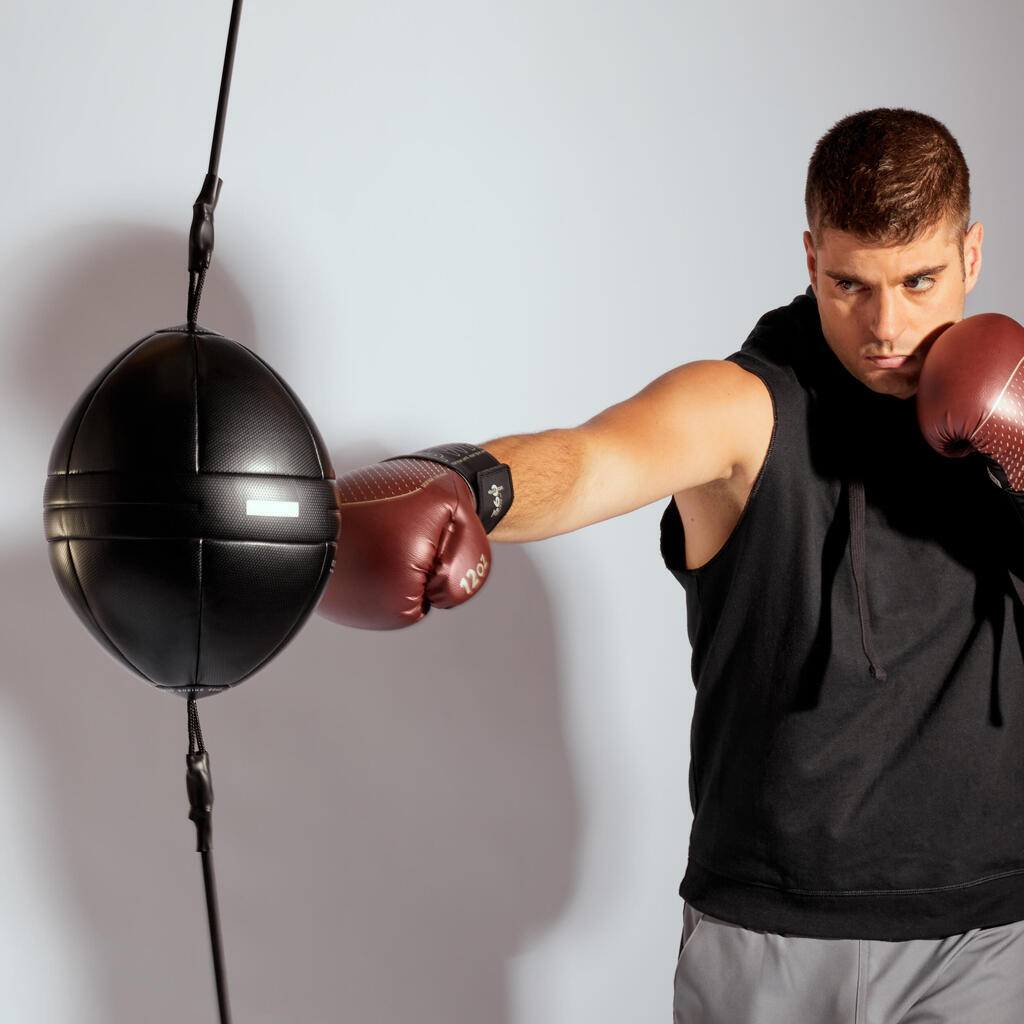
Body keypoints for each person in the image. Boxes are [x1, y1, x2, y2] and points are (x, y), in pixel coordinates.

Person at [319, 108, 1024, 1022]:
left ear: (972, 255)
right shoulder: (743, 407)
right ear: (810, 259)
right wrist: (467, 484)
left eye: (919, 281)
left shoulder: (1013, 408)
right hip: (767, 934)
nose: (886, 326)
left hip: (979, 935)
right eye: (850, 284)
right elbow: (593, 458)